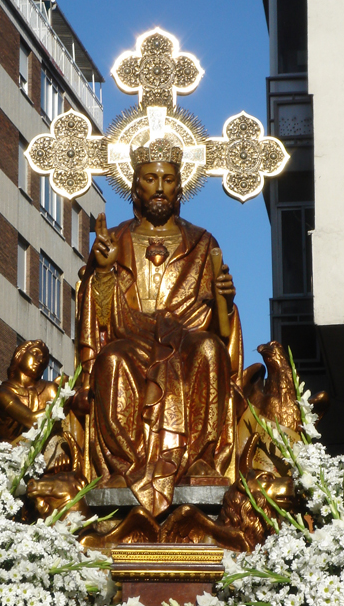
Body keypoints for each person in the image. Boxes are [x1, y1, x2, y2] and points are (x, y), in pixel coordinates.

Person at [75, 140, 243, 517]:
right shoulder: (115, 239)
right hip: (131, 339)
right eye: (150, 178)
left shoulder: (202, 243)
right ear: (135, 184)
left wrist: (225, 301)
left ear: (180, 186)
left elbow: (220, 330)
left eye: (168, 180)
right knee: (112, 360)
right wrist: (104, 271)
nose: (160, 188)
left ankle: (199, 460)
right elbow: (99, 322)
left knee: (209, 351)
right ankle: (125, 466)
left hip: (185, 338)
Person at [0, 339, 58, 444]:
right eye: (35, 353)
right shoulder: (4, 393)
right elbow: (31, 420)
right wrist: (63, 401)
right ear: (20, 355)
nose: (40, 360)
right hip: (11, 452)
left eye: (44, 360)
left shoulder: (50, 389)